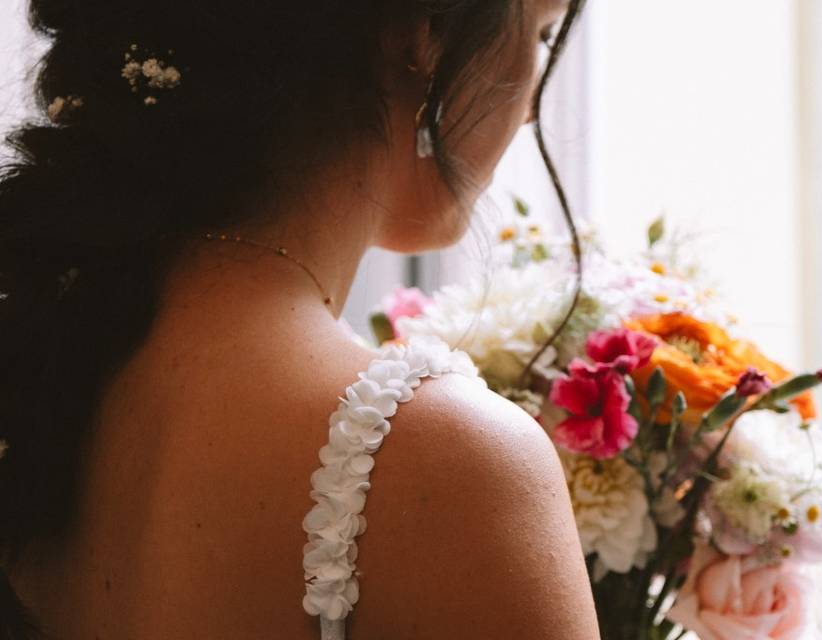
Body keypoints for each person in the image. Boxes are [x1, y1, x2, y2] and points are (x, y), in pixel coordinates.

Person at [0, 0, 601, 638]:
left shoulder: (43, 367)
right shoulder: (447, 462)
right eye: (540, 31)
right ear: (423, 36)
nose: (531, 102)